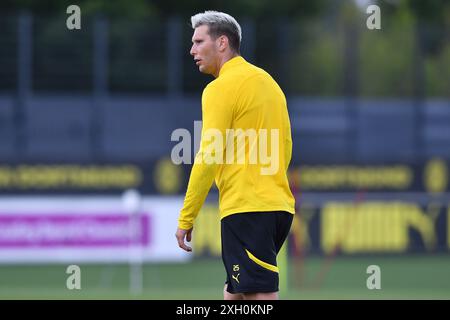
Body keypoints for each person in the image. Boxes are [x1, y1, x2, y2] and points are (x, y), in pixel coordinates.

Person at [175, 10, 296, 300]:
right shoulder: (268, 81)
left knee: (260, 298)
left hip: (247, 210)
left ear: (222, 43)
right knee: (235, 293)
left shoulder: (219, 88)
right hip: (278, 207)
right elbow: (286, 144)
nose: (192, 50)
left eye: (198, 41)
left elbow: (208, 155)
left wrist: (186, 217)